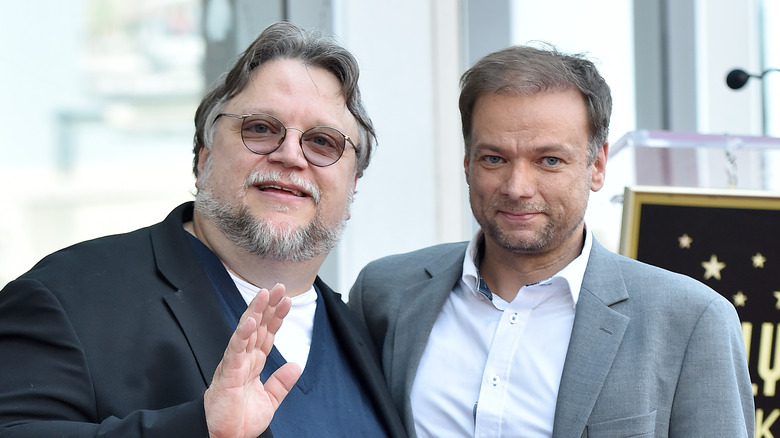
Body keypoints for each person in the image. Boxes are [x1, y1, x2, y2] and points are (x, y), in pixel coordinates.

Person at [0, 22, 406, 438]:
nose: (290, 155)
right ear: (204, 158)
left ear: (353, 186)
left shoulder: (370, 335)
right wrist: (200, 430)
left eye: (322, 142)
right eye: (261, 128)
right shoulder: (69, 296)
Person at [349, 45, 754, 437]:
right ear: (467, 163)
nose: (517, 187)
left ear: (597, 166)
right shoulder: (386, 293)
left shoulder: (691, 321)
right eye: (494, 158)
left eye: (549, 160)